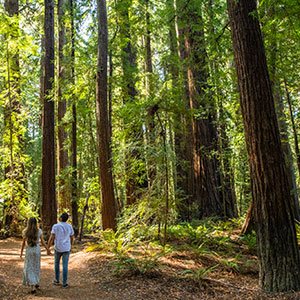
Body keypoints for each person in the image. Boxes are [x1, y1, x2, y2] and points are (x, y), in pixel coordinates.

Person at [20, 217, 49, 294]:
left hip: (29, 250)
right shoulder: (39, 231)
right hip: (37, 250)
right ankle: (36, 282)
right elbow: (42, 242)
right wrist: (47, 249)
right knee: (36, 266)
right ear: (36, 223)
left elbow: (23, 243)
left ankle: (33, 286)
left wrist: (21, 253)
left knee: (29, 267)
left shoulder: (25, 231)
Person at [48, 212, 74, 288]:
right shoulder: (69, 226)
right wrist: (71, 246)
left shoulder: (56, 226)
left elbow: (52, 237)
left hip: (58, 248)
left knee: (57, 264)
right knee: (65, 265)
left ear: (61, 218)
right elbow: (72, 237)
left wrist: (48, 247)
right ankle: (65, 283)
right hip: (66, 248)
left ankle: (56, 280)